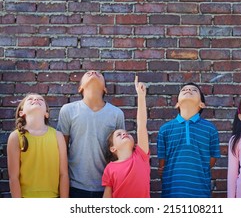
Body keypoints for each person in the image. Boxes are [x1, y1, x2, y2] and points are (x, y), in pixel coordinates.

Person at [57, 70, 125, 198]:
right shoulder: (68, 110)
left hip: (107, 186)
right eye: (88, 73)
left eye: (99, 74)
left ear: (105, 89)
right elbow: (62, 149)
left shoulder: (116, 114)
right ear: (80, 88)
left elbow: (121, 153)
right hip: (75, 185)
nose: (93, 72)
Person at [157, 82, 221, 198]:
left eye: (194, 90)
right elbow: (162, 164)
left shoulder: (210, 129)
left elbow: (212, 159)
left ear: (202, 104)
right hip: (171, 194)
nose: (188, 90)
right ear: (177, 104)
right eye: (184, 89)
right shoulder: (165, 130)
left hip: (201, 194)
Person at [7, 94, 69, 198]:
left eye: (40, 99)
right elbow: (13, 177)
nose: (35, 99)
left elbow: (64, 174)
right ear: (21, 113)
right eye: (30, 99)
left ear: (46, 114)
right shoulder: (15, 137)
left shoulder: (58, 136)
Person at [102, 76, 150, 198]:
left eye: (127, 133)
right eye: (119, 134)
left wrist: (141, 96)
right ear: (113, 148)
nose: (124, 134)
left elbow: (141, 125)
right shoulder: (110, 168)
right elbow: (107, 197)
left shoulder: (141, 155)